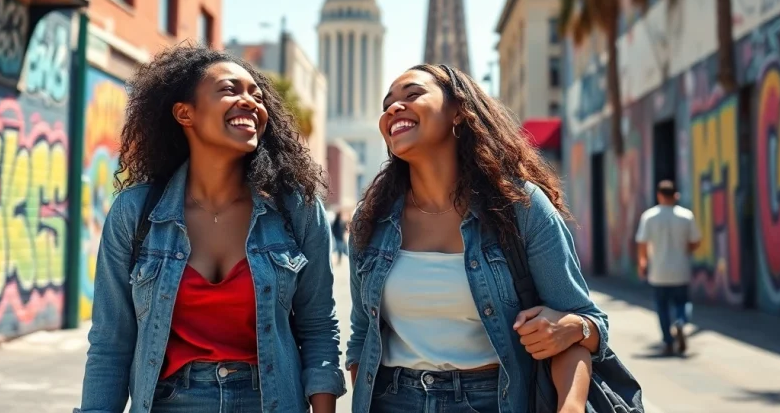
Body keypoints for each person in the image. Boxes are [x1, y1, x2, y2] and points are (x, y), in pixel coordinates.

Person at [77, 45, 345, 413]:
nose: (250, 102)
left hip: (271, 401)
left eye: (256, 94)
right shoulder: (135, 213)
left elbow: (317, 327)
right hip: (170, 402)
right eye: (230, 90)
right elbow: (111, 342)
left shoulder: (294, 208)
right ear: (185, 114)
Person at [346, 64, 609, 413]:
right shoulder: (372, 220)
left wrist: (571, 406)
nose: (394, 108)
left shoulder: (520, 206)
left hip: (492, 399)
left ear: (457, 111)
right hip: (393, 399)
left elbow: (577, 321)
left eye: (412, 95)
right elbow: (362, 336)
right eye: (387, 103)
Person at [635, 180, 701, 356]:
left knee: (662, 307)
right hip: (681, 269)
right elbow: (696, 241)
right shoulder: (686, 215)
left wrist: (642, 263)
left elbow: (642, 243)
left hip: (659, 271)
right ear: (676, 195)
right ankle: (680, 321)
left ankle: (668, 341)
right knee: (683, 302)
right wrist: (687, 250)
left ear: (659, 195)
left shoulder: (649, 216)